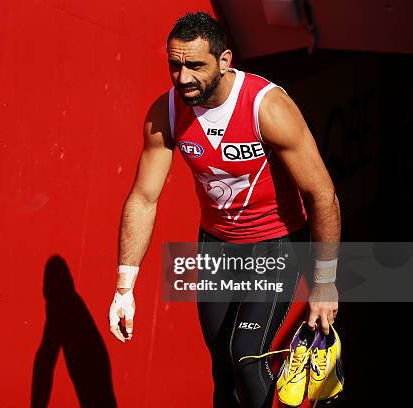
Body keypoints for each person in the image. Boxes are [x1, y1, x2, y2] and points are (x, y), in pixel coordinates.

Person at [108, 11, 340, 408]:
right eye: (174, 65)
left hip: (276, 245)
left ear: (225, 61)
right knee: (222, 369)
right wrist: (124, 288)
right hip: (217, 248)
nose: (183, 78)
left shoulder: (267, 108)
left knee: (246, 355)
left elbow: (323, 196)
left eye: (195, 66)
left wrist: (324, 283)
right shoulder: (165, 112)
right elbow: (144, 198)